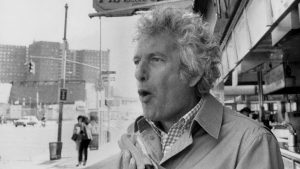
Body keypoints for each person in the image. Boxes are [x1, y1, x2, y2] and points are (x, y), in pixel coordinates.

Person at [89, 6, 283, 169]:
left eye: (156, 60)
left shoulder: (251, 144)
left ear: (193, 72)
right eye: (137, 61)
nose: (139, 73)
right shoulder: (134, 142)